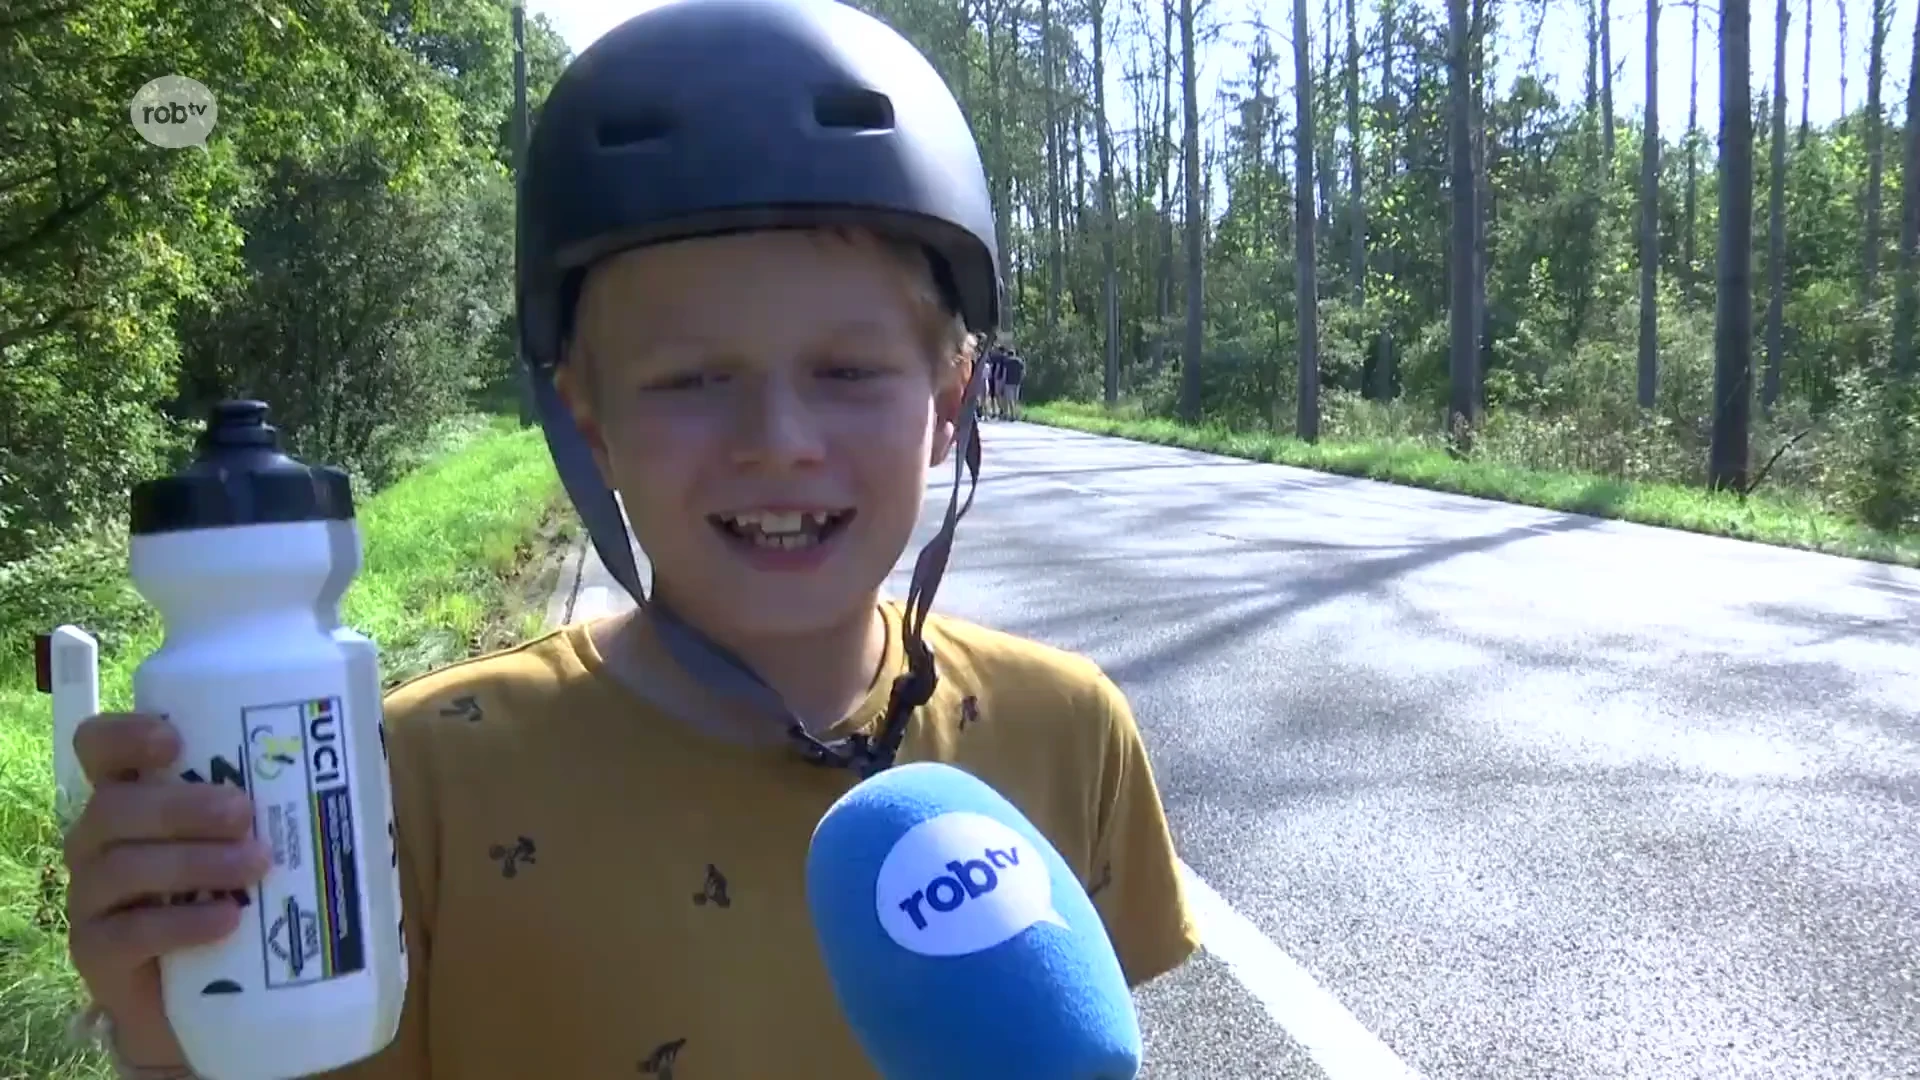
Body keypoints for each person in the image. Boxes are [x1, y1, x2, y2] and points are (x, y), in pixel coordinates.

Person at [56, 1, 1198, 1076]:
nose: (778, 441)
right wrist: (181, 1044)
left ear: (951, 403)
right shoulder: (408, 782)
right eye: (693, 379)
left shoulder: (1068, 730)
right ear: (587, 419)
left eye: (847, 373)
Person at [998, 346, 1026, 420]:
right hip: (1017, 382)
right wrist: (1020, 380)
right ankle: (1016, 414)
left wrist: (1002, 383)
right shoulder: (1020, 361)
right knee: (1015, 399)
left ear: (1008, 354)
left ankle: (1011, 415)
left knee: (1010, 399)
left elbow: (1004, 373)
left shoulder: (1007, 361)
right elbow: (1023, 372)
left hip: (1008, 382)